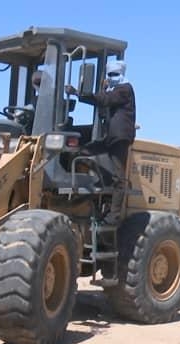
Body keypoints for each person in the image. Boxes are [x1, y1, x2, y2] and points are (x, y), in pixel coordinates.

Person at [66, 59, 136, 223]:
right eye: (109, 74)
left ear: (121, 74)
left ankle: (114, 215)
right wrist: (101, 89)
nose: (112, 77)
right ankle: (102, 184)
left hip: (119, 138)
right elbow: (102, 103)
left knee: (119, 178)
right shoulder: (112, 90)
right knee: (83, 152)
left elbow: (104, 100)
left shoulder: (124, 89)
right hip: (109, 137)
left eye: (115, 74)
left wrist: (78, 92)